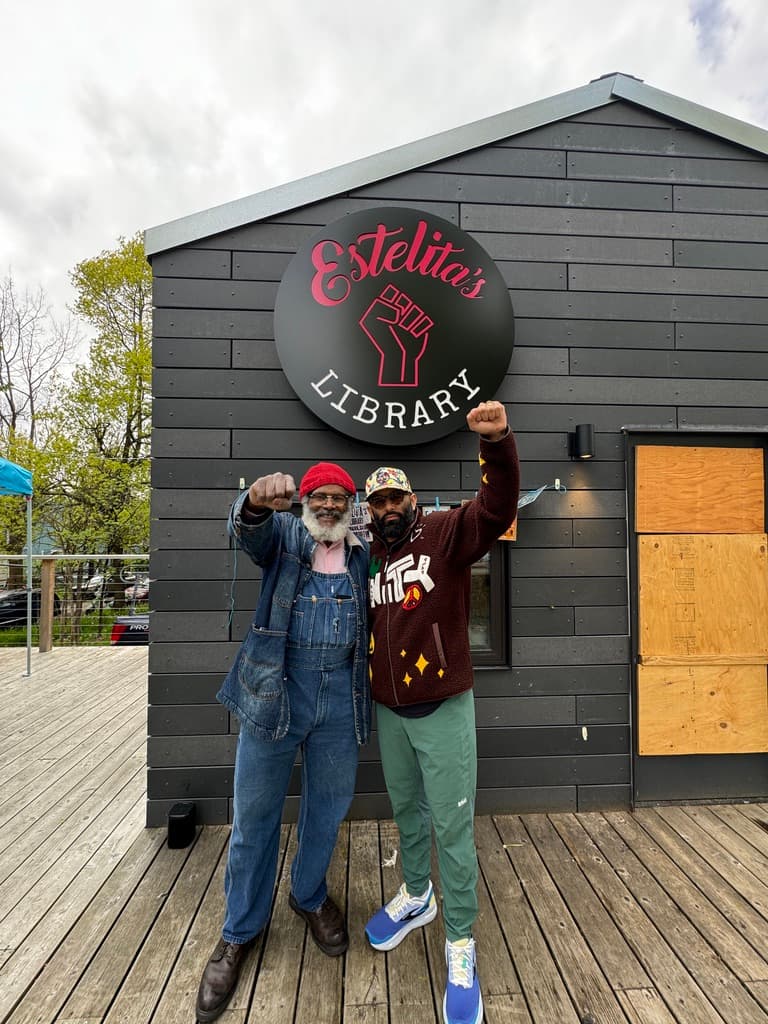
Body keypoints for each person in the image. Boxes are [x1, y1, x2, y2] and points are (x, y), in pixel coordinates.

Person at [196, 462, 370, 1023]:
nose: (327, 506)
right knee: (254, 816)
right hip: (275, 692)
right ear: (304, 503)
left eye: (338, 498)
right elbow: (244, 531)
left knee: (328, 809)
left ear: (350, 505)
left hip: (341, 698)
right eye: (318, 497)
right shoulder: (285, 537)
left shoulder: (363, 553)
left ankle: (308, 894)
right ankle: (239, 931)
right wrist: (251, 502)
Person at [363, 400, 519, 1024]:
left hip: (444, 707)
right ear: (369, 512)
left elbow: (497, 509)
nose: (388, 510)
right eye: (377, 503)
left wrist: (498, 444)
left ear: (412, 499)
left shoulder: (446, 532)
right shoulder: (369, 557)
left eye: (395, 498)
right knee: (406, 812)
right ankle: (418, 895)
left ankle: (460, 941)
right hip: (390, 713)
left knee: (453, 829)